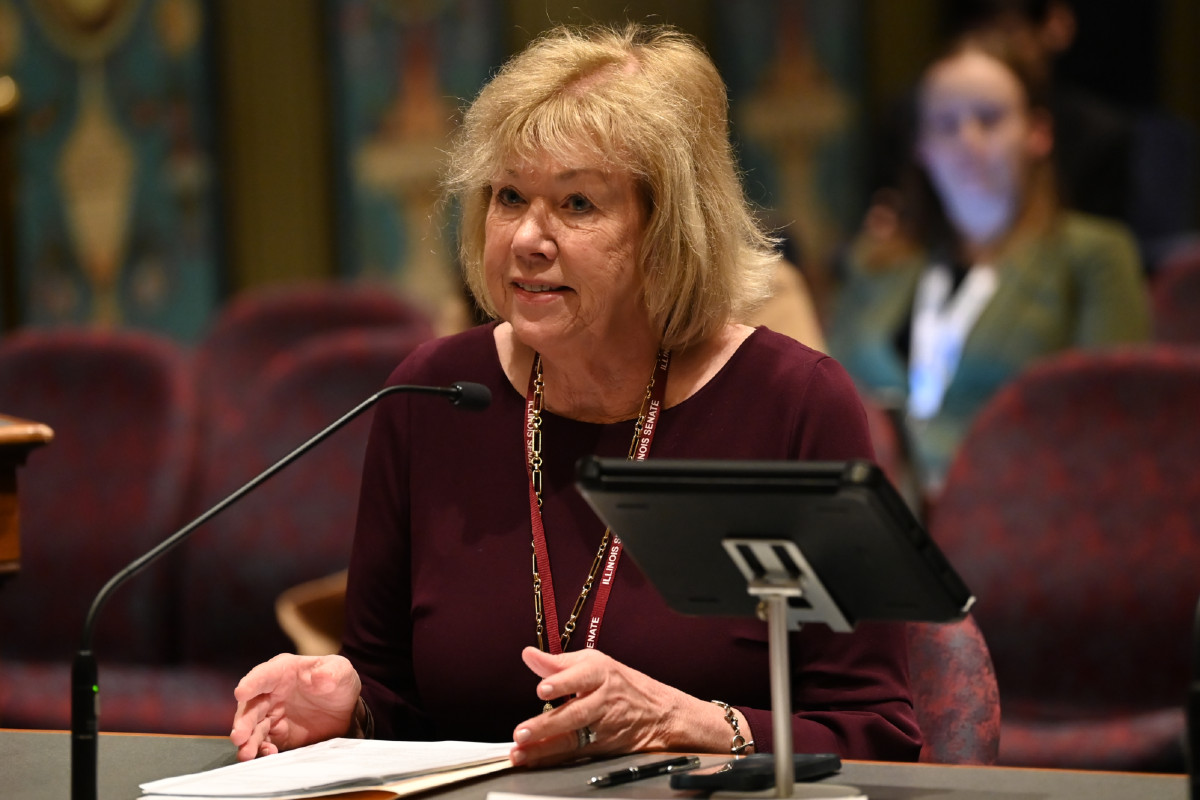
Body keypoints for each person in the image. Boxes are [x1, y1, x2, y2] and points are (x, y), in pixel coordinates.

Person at [230, 23, 921, 767]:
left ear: (668, 230)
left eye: (578, 204)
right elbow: (397, 695)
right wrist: (347, 707)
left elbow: (877, 731)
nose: (528, 236)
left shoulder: (793, 405)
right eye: (508, 196)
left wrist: (686, 720)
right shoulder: (432, 397)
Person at [827, 27, 1149, 499]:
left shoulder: (1093, 256)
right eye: (946, 124)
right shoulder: (876, 262)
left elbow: (1107, 426)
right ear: (922, 148)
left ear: (1038, 133)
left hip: (1018, 523)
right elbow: (827, 407)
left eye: (989, 118)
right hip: (871, 524)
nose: (968, 140)